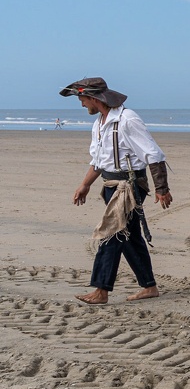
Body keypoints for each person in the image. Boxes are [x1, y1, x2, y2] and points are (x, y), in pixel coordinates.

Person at [59, 77, 172, 305]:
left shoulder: (127, 119)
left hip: (128, 187)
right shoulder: (99, 124)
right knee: (129, 238)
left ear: (93, 98)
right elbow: (99, 162)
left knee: (111, 233)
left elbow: (153, 154)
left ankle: (101, 290)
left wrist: (162, 188)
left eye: (81, 99)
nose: (81, 104)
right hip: (111, 186)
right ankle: (149, 287)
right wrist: (85, 185)